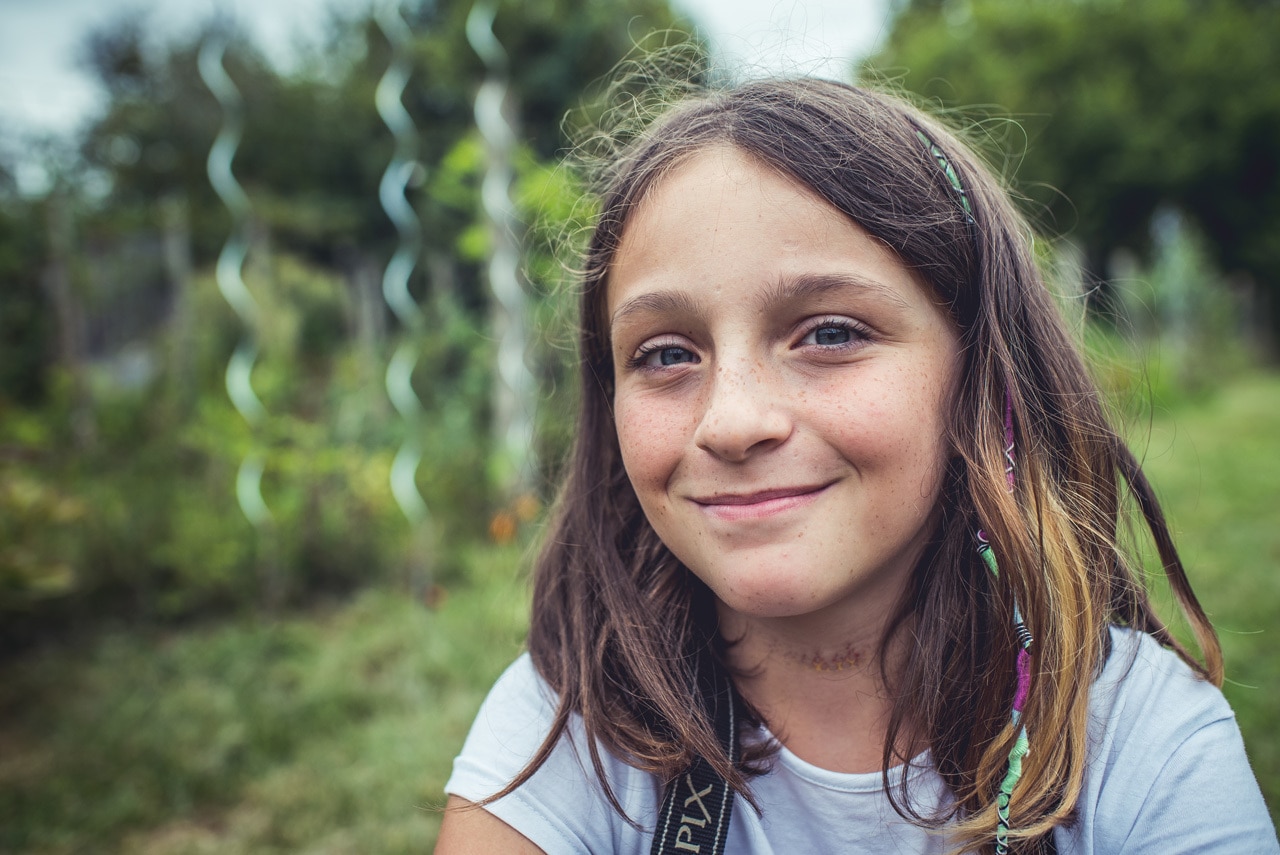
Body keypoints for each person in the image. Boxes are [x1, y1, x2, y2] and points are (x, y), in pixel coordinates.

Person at [435, 78, 1277, 854]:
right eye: (666, 353)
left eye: (830, 333)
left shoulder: (1139, 737)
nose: (732, 422)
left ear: (983, 375)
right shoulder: (573, 723)